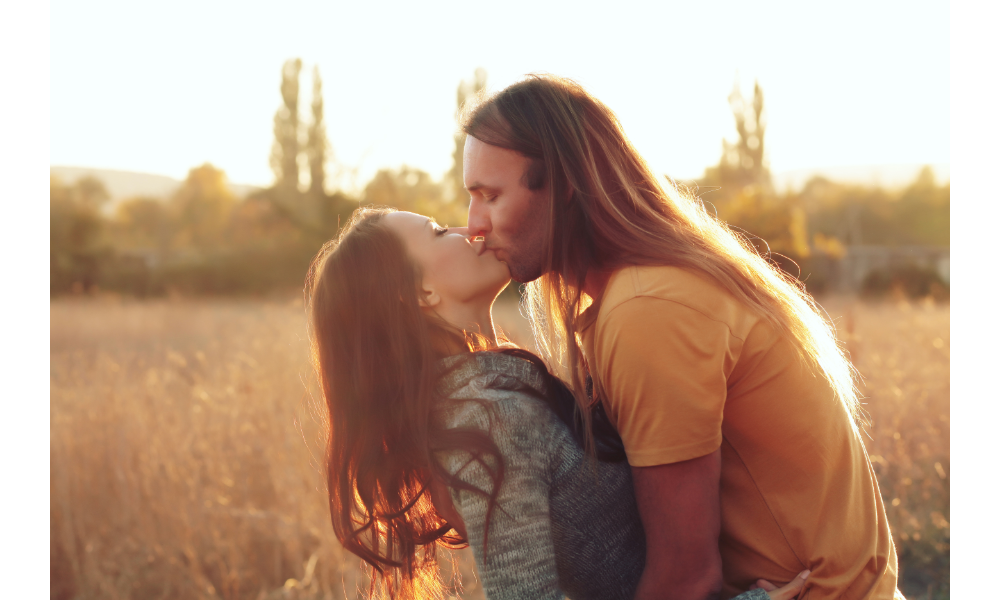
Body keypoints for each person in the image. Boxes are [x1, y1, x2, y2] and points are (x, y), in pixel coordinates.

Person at [461, 74, 900, 600]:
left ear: (567, 183)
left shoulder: (649, 309)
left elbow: (685, 580)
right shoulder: (632, 297)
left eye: (489, 195)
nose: (473, 225)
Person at [305, 206, 809, 600]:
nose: (470, 230)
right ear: (419, 293)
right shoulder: (487, 418)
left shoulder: (492, 394)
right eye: (439, 233)